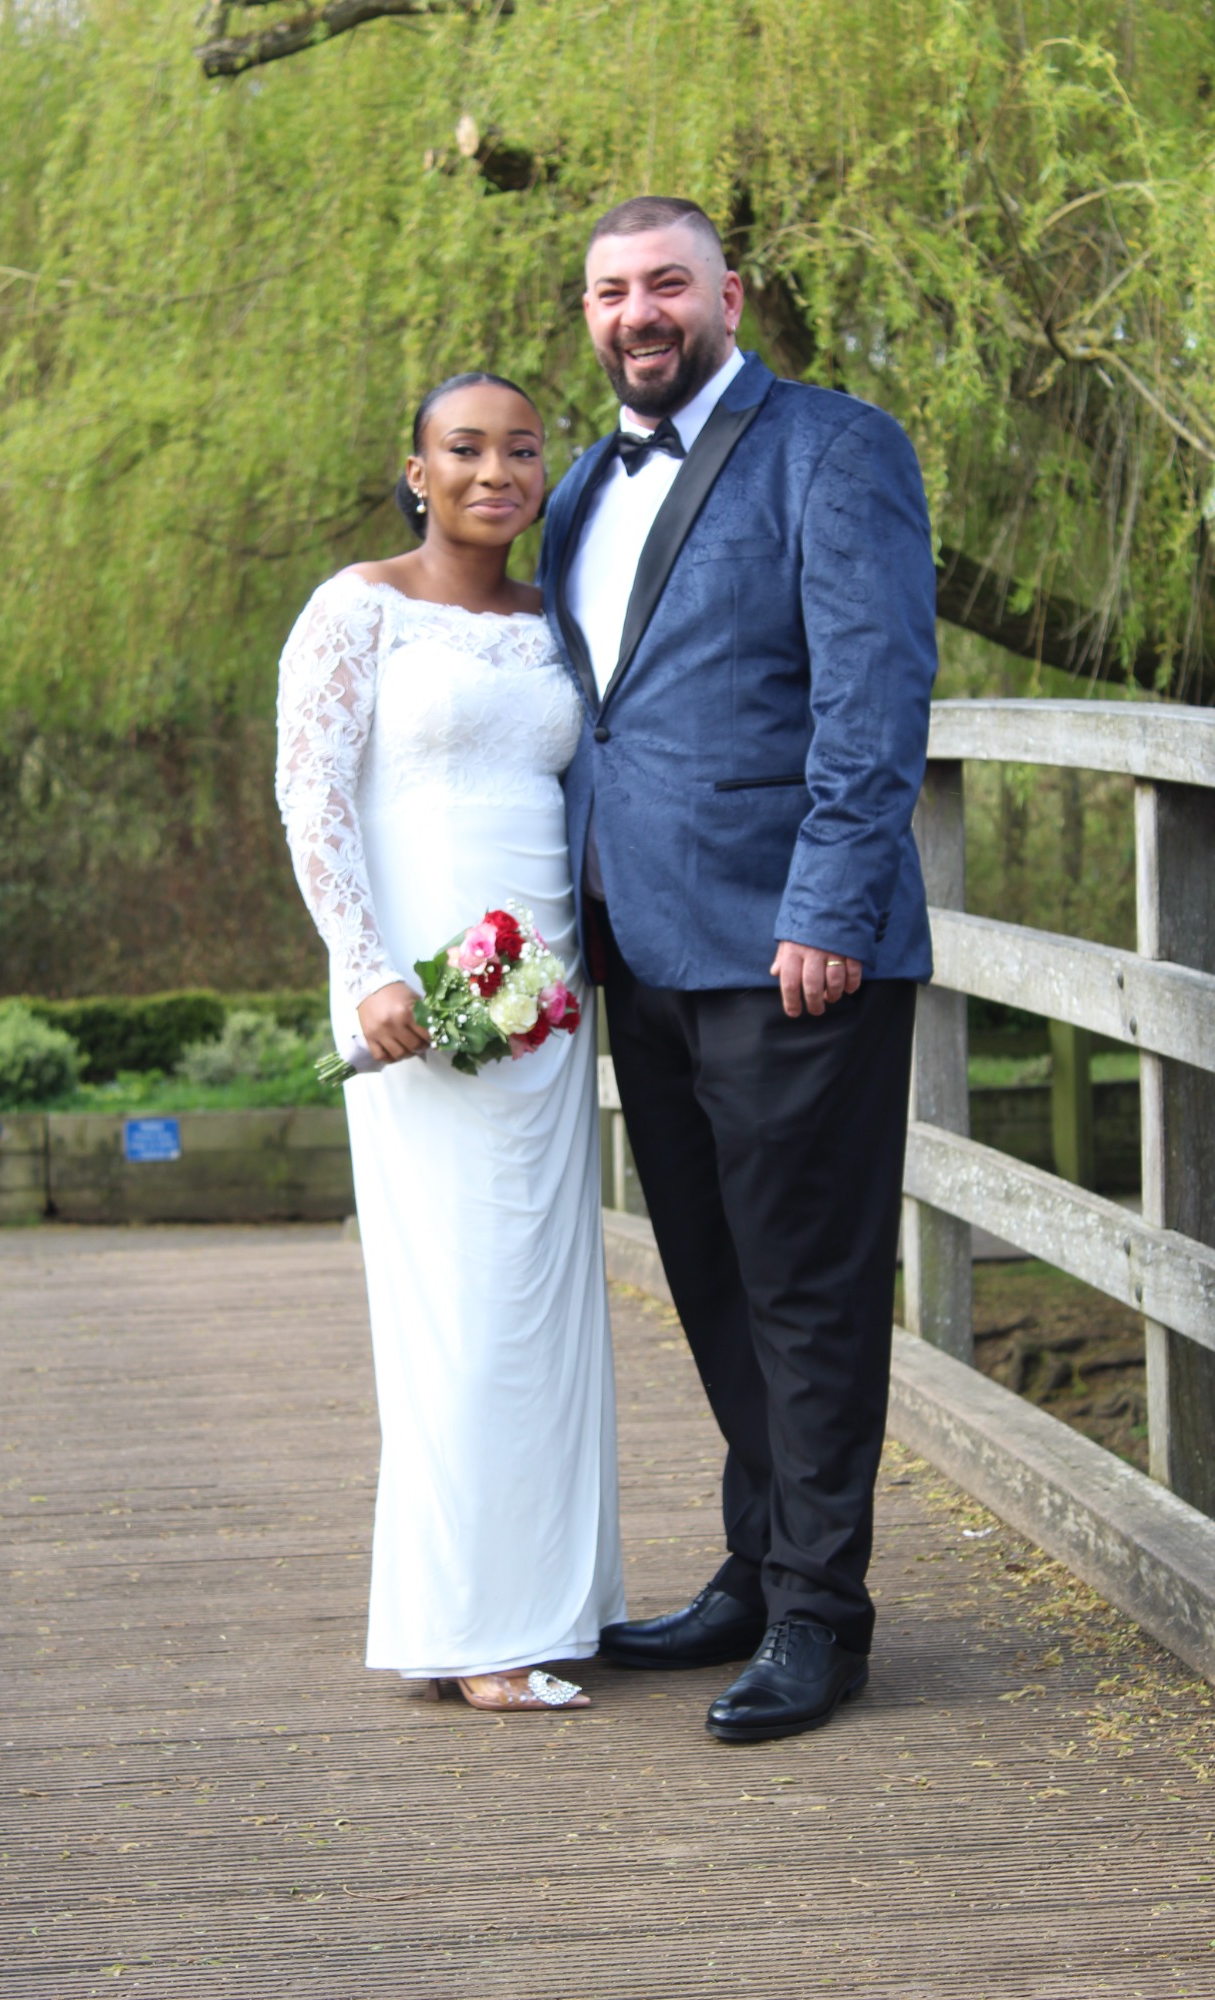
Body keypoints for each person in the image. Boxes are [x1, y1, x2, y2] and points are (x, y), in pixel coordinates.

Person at [538, 196, 937, 1743]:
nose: (636, 313)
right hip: (640, 948)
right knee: (709, 1276)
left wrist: (830, 906)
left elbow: (872, 691)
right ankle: (759, 1568)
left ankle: (821, 1617)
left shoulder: (831, 448)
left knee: (807, 1289)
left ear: (729, 297)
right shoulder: (581, 485)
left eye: (666, 284)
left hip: (792, 952)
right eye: (608, 291)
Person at [275, 372, 625, 1712]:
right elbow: (311, 792)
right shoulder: (355, 607)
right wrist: (364, 968)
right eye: (464, 449)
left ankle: (550, 1605)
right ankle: (468, 1626)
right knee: (456, 1303)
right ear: (416, 471)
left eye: (521, 449)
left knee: (542, 1295)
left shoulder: (555, 625)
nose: (496, 472)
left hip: (541, 993)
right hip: (412, 989)